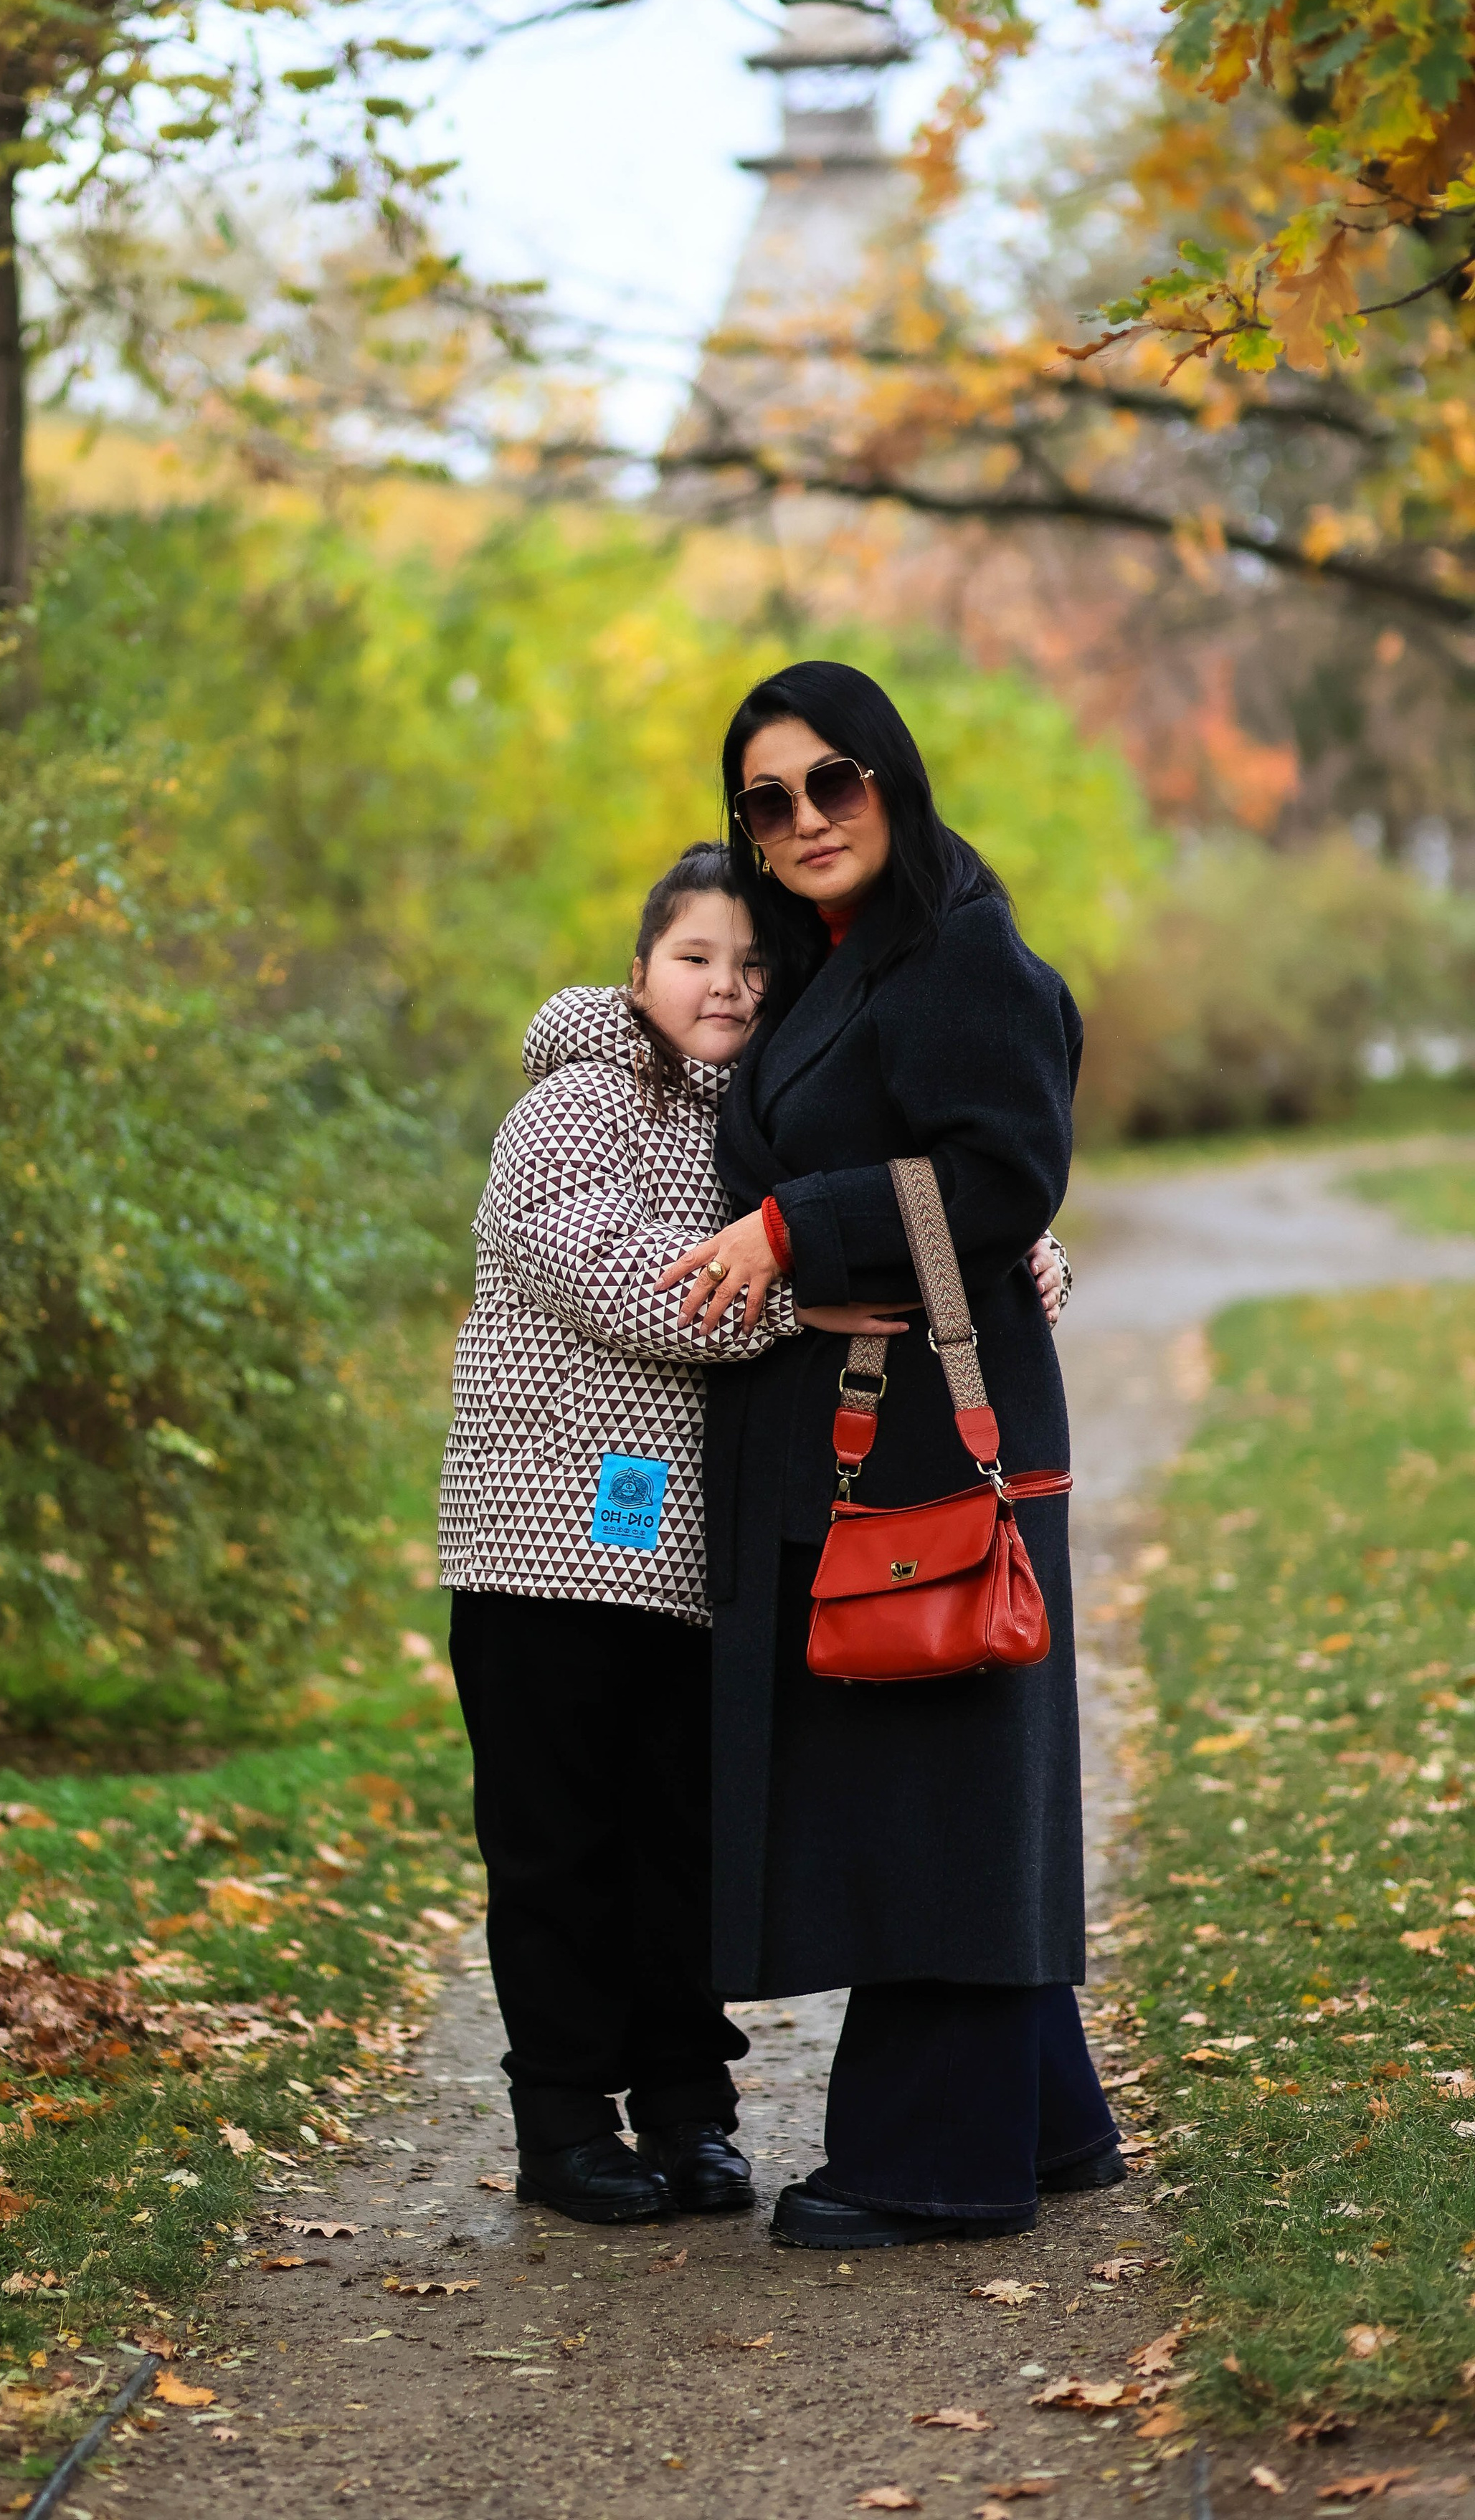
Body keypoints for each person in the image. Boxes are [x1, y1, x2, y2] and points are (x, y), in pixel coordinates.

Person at [438, 840, 1065, 2226]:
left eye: (754, 963)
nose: (726, 985)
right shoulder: (570, 1112)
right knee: (557, 1852)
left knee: (683, 1850)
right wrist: (802, 1298)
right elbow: (634, 1290)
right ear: (640, 968)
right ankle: (562, 2126)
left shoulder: (763, 1117)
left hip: (693, 1570)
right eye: (694, 956)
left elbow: (936, 1193)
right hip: (544, 1554)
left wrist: (1022, 1264)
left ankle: (687, 2112)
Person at [659, 660, 1116, 2251]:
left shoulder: (959, 956)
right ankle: (1040, 2117)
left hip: (930, 1425)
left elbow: (1000, 1174)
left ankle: (937, 2161)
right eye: (765, 800)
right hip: (849, 1427)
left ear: (892, 780)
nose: (800, 819)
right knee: (924, 1771)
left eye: (830, 781)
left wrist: (796, 1221)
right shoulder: (828, 963)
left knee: (938, 1775)